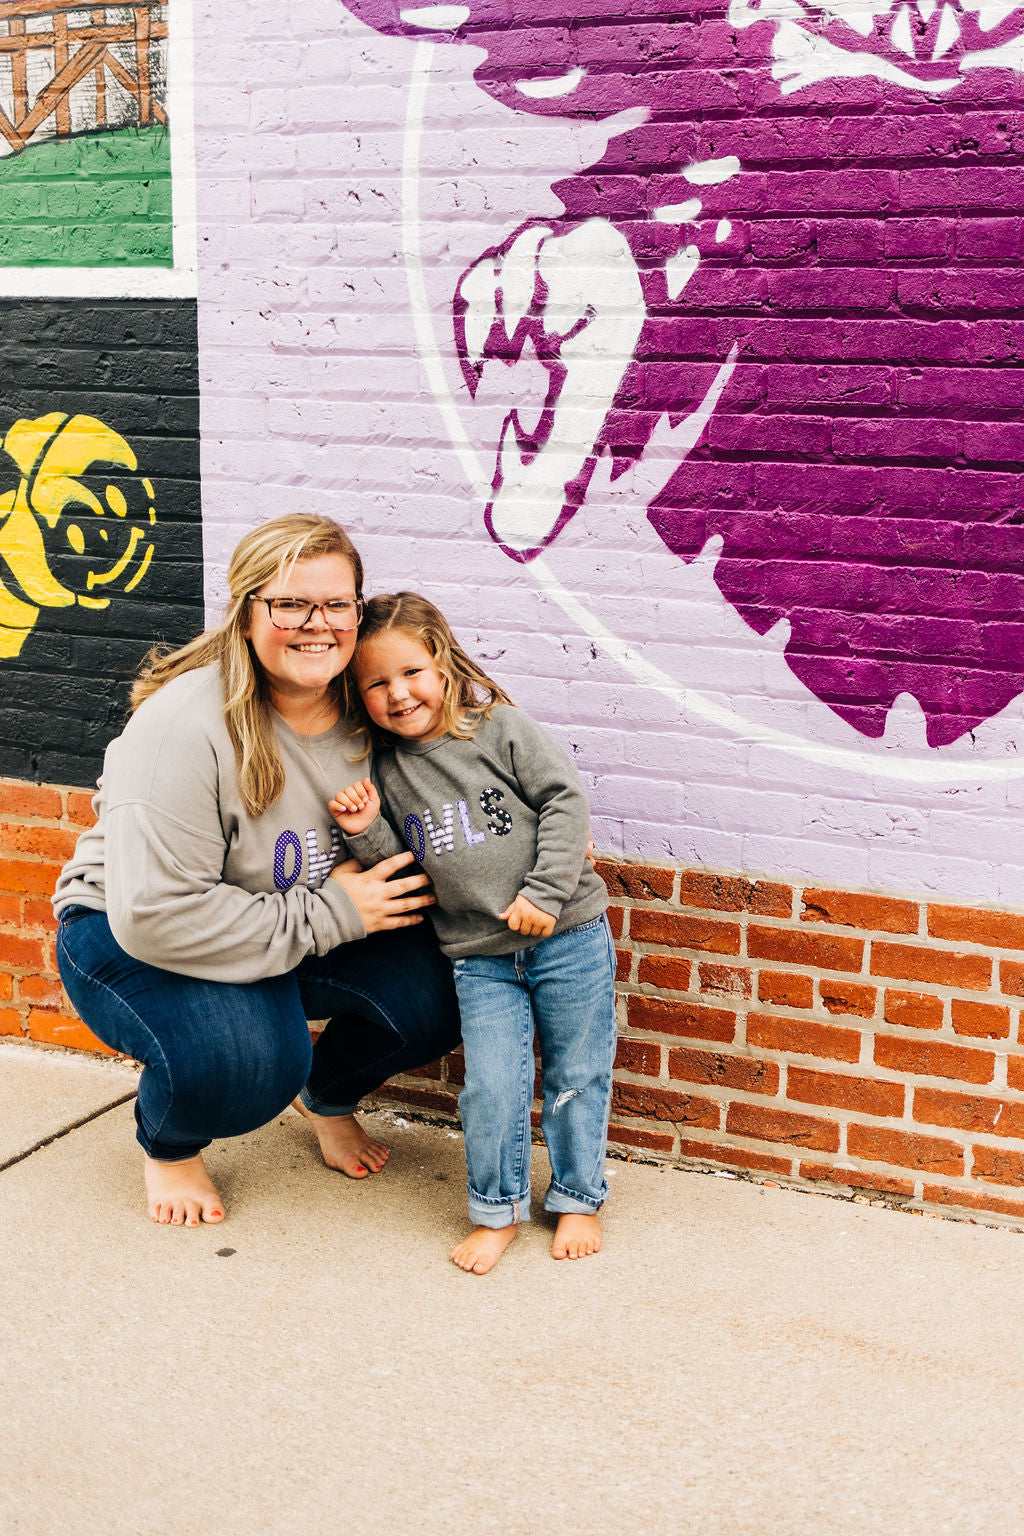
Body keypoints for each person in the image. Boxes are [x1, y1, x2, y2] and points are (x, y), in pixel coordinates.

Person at [53, 515, 460, 1228]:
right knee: (249, 1064)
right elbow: (156, 915)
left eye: (337, 604)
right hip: (130, 933)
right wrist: (336, 915)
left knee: (446, 985)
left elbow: (467, 762)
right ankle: (170, 1142)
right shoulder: (185, 727)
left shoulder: (366, 700)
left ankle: (327, 1096)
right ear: (247, 613)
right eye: (291, 604)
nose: (318, 624)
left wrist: (533, 839)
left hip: (283, 917)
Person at [330, 592, 617, 1274]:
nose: (399, 694)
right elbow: (396, 868)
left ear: (444, 663)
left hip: (567, 936)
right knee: (492, 1087)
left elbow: (564, 799)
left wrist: (545, 894)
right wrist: (362, 828)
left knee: (577, 1071)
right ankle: (497, 1211)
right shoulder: (387, 771)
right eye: (377, 683)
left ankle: (578, 1196)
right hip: (479, 957)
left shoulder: (498, 729)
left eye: (411, 673)